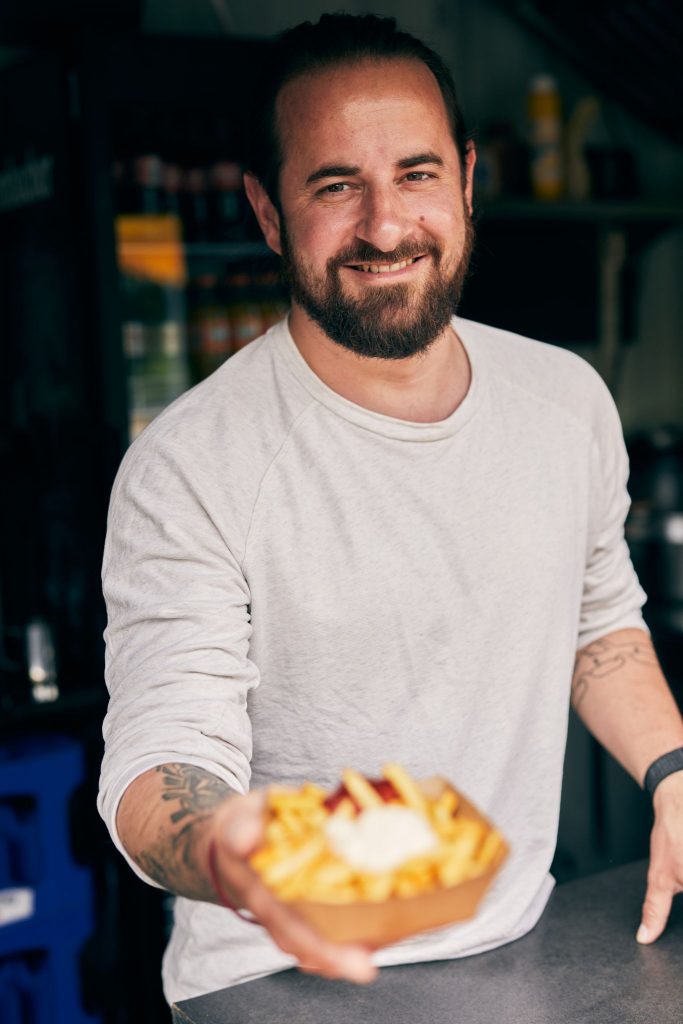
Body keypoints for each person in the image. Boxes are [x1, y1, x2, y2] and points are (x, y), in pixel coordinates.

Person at [98, 12, 683, 1005]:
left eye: (413, 174)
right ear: (268, 211)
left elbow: (595, 619)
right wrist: (231, 849)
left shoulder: (565, 402)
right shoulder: (189, 467)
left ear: (462, 178)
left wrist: (671, 774)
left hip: (515, 950)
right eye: (335, 186)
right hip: (275, 976)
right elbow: (165, 755)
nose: (382, 224)